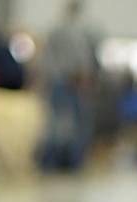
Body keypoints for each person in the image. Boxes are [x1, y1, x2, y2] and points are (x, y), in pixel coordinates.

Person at [39, 0, 97, 171]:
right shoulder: (80, 32)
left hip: (64, 82)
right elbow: (84, 61)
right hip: (69, 82)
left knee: (57, 123)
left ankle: (53, 163)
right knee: (68, 124)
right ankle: (69, 163)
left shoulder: (57, 30)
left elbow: (47, 60)